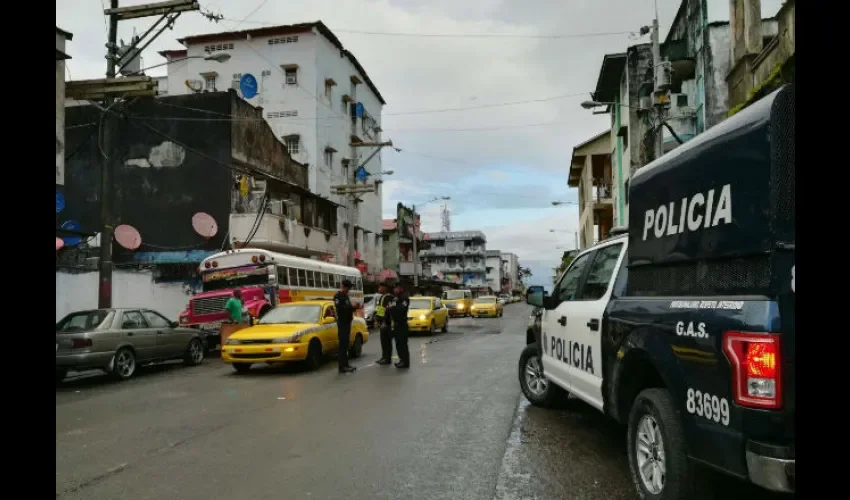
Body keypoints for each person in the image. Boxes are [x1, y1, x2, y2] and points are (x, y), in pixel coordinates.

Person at [334, 279, 357, 373]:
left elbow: (347, 308)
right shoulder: (338, 296)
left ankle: (346, 364)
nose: (349, 289)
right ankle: (342, 366)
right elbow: (341, 309)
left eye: (349, 287)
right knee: (343, 345)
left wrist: (353, 307)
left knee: (346, 344)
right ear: (344, 286)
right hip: (342, 323)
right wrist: (352, 307)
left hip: (347, 323)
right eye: (348, 287)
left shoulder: (345, 296)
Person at [388, 283, 411, 369]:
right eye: (394, 288)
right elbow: (390, 306)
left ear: (401, 288)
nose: (395, 290)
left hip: (402, 323)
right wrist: (391, 307)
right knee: (398, 343)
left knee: (402, 344)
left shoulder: (404, 298)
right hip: (396, 324)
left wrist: (393, 308)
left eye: (396, 288)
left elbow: (402, 308)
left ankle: (405, 362)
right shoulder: (395, 298)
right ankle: (401, 359)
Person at [375, 282, 395, 365]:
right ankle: (384, 357)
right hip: (382, 322)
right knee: (383, 341)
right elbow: (380, 310)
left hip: (387, 323)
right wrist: (376, 320)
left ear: (385, 288)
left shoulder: (389, 297)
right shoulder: (382, 297)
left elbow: (388, 311)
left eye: (380, 287)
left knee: (387, 341)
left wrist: (384, 322)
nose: (379, 289)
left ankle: (387, 358)